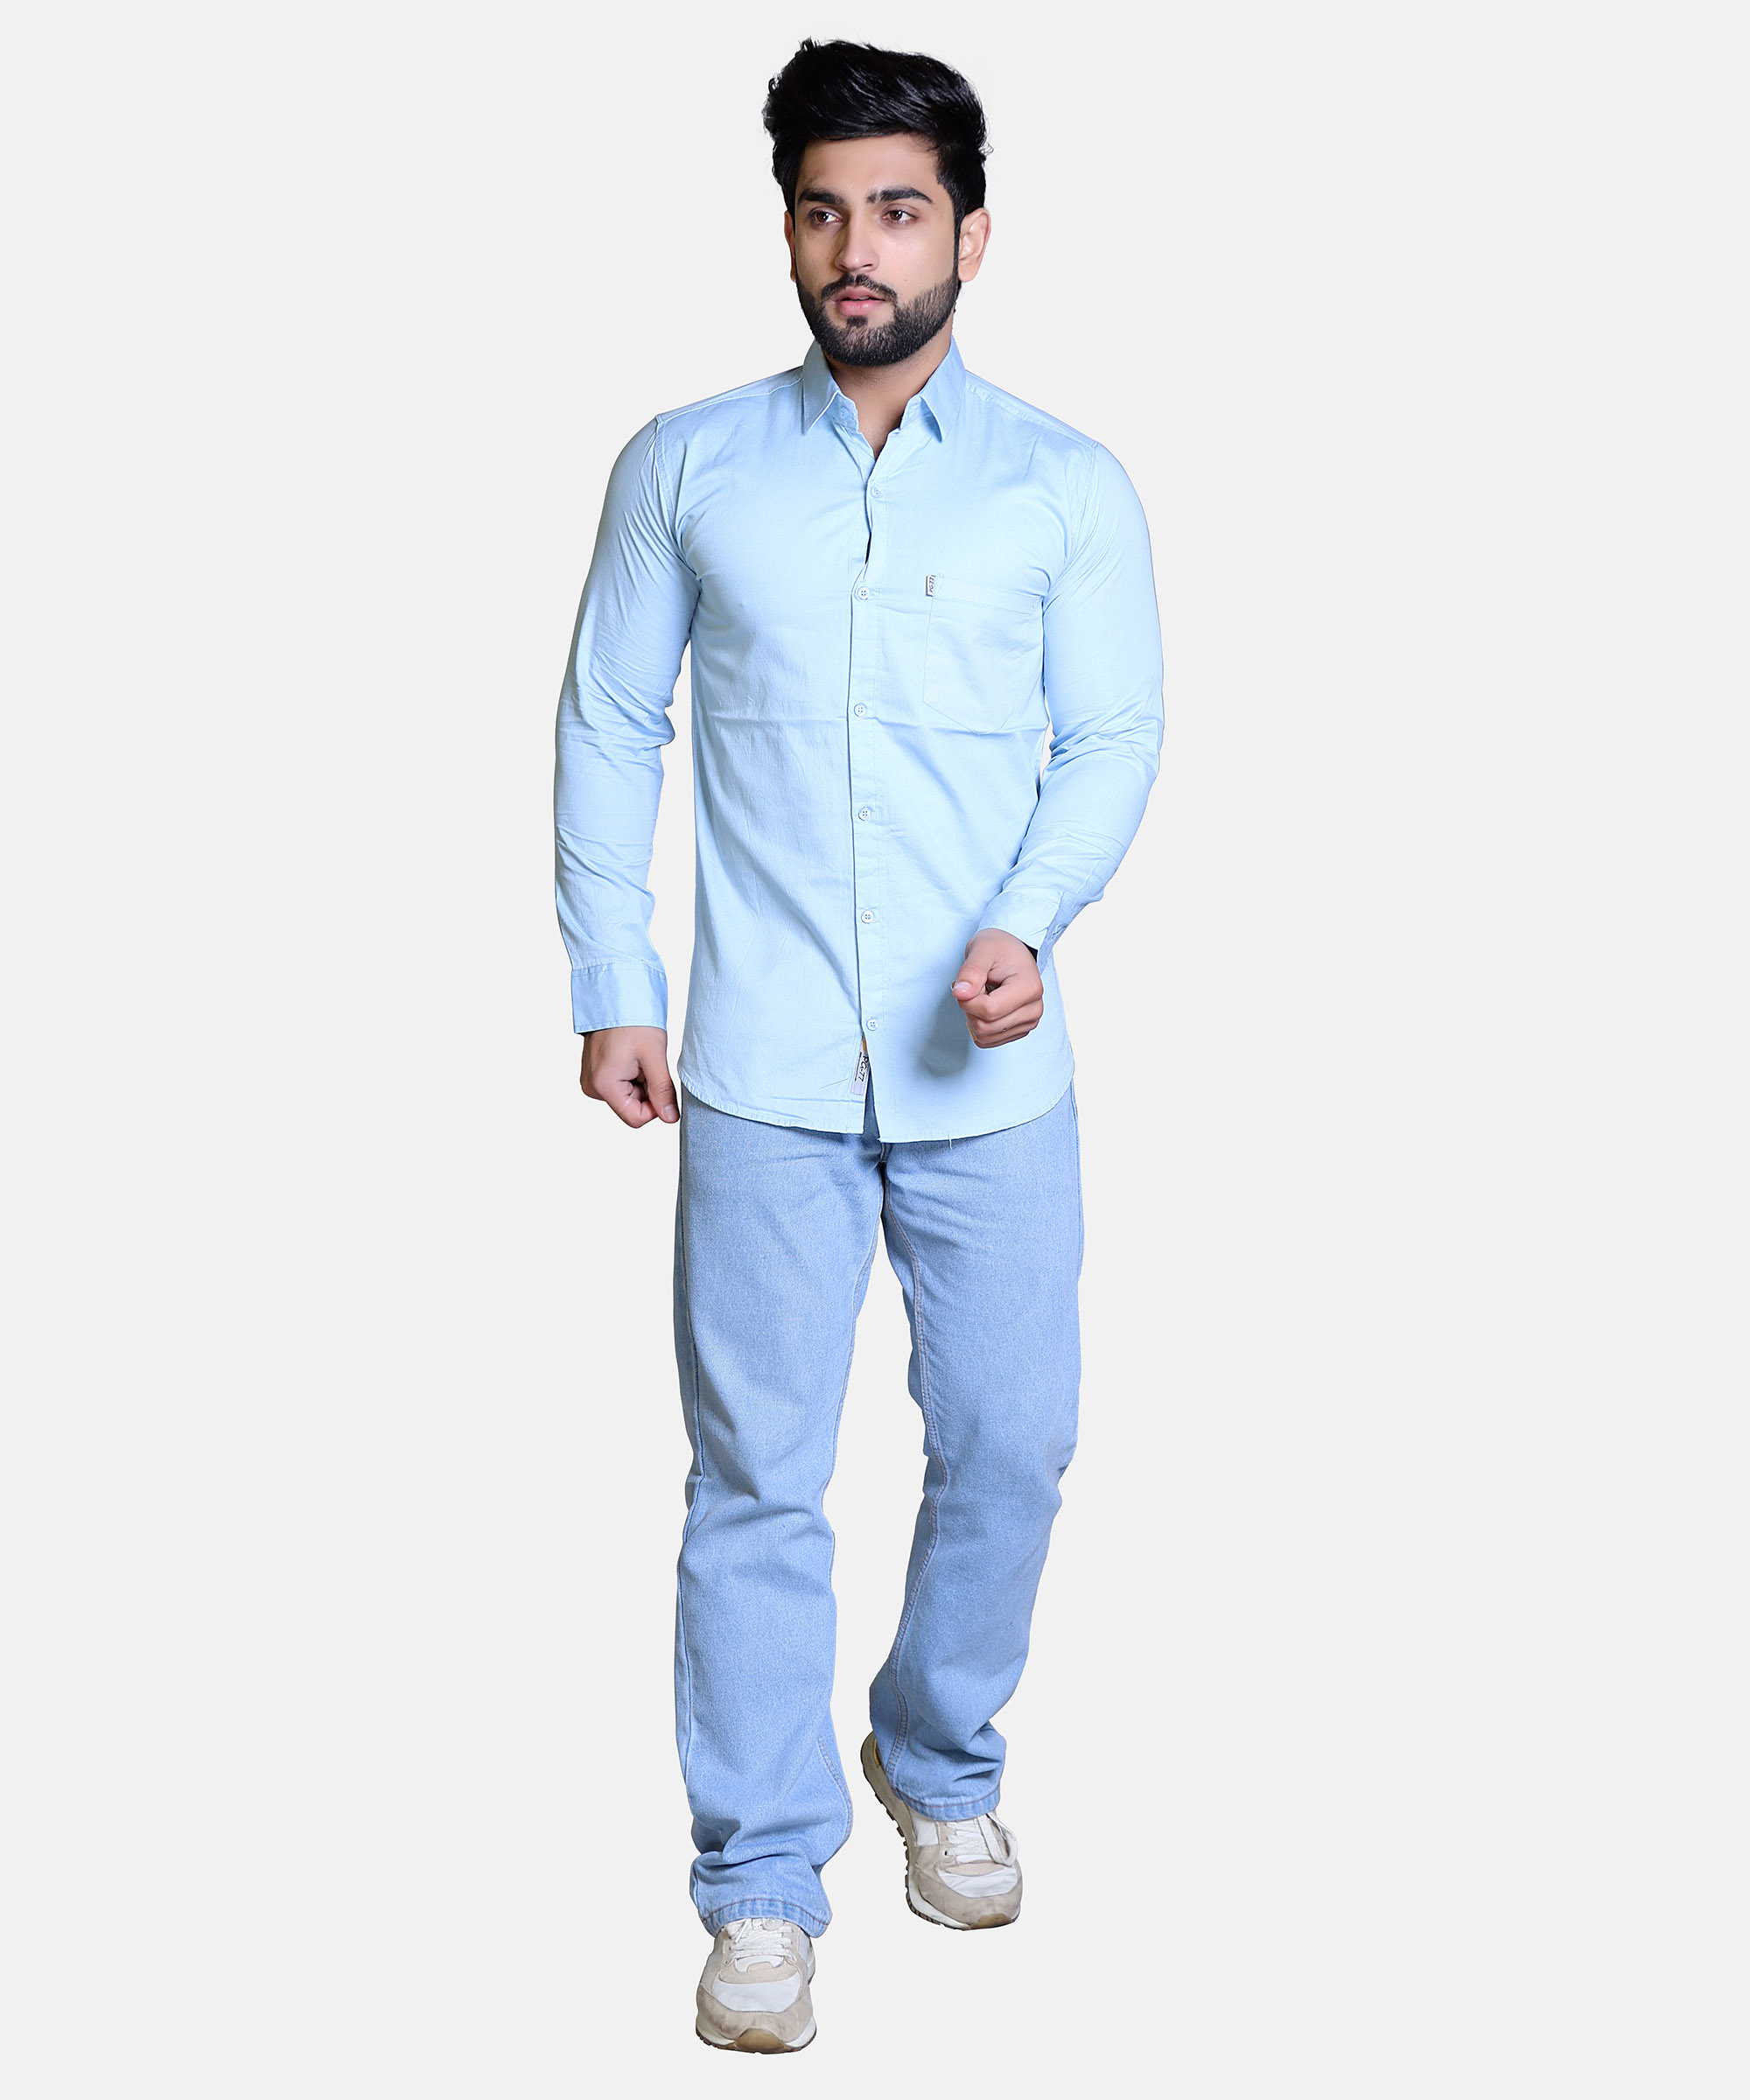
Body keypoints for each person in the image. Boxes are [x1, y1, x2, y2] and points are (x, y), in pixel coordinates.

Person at [554, 37, 1163, 2052]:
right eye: (822, 210)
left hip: (993, 1075)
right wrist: (614, 977)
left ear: (969, 234)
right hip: (757, 1070)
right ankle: (757, 1880)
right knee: (755, 1478)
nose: (855, 250)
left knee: (1013, 1441)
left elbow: (1113, 734)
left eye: (897, 209)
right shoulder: (687, 465)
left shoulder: (1067, 484)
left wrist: (1029, 919)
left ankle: (936, 1747)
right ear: (789, 228)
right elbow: (607, 721)